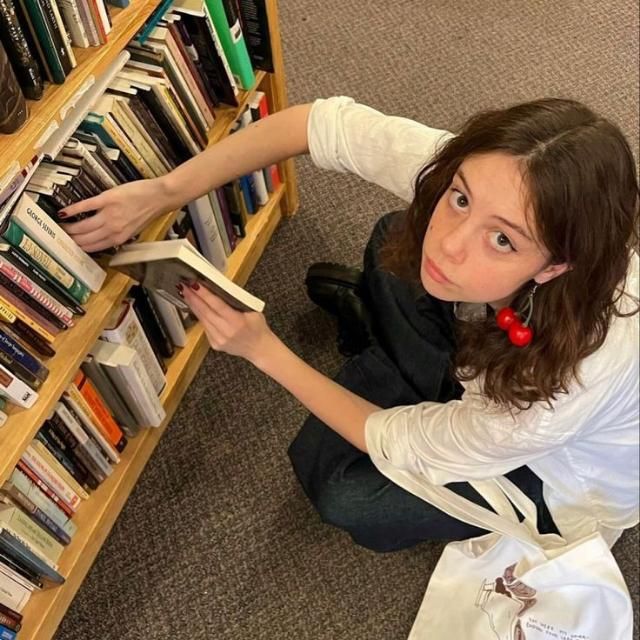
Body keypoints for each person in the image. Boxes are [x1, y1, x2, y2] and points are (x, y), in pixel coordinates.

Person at [59, 97, 639, 553]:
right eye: (461, 199)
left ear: (557, 265)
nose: (450, 244)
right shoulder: (497, 173)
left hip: (550, 467)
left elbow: (400, 441)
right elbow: (321, 125)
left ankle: (389, 362)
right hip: (496, 341)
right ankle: (397, 364)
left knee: (345, 492)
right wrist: (163, 192)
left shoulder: (560, 389)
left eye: (503, 239)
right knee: (397, 234)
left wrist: (266, 351)